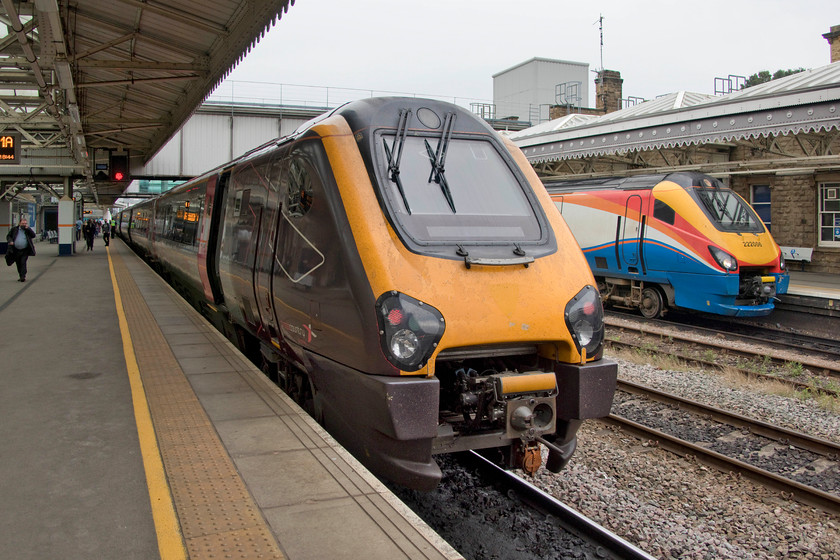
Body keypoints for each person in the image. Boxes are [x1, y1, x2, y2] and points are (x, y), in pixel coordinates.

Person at [6, 217, 36, 282]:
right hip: (16, 250)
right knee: (18, 263)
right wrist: (10, 241)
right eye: (23, 223)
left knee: (23, 262)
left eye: (25, 223)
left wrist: (28, 229)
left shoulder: (27, 230)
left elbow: (33, 235)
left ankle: (23, 276)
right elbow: (8, 236)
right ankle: (20, 275)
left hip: (25, 250)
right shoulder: (14, 229)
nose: (24, 225)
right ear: (19, 223)